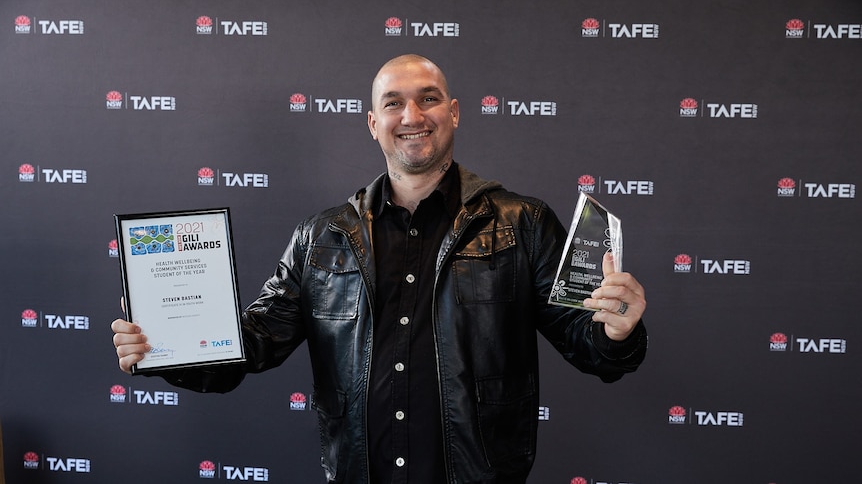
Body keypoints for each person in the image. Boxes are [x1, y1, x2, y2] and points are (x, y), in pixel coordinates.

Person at [112, 54, 648, 484]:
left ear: (455, 112)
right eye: (394, 104)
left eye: (428, 99)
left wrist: (617, 330)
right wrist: (165, 344)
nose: (412, 117)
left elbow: (590, 344)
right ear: (374, 123)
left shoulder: (522, 222)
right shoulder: (322, 237)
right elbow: (252, 343)